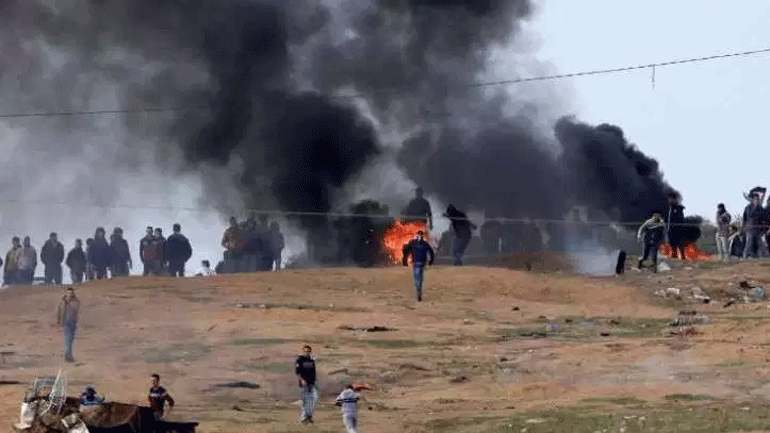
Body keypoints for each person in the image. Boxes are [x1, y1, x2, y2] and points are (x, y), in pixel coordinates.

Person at [402, 231, 435, 302]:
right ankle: (419, 289)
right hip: (422, 263)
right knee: (420, 277)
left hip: (416, 263)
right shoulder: (425, 244)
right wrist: (430, 261)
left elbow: (406, 250)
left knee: (417, 278)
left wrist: (404, 260)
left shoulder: (413, 243)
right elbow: (431, 252)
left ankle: (418, 289)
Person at [295, 345, 318, 424]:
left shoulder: (311, 360)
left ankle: (309, 415)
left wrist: (315, 380)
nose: (307, 353)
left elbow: (314, 371)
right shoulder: (300, 360)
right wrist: (302, 380)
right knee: (305, 400)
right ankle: (304, 417)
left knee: (315, 399)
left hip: (312, 382)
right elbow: (297, 372)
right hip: (304, 383)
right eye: (306, 351)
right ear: (303, 351)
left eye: (308, 351)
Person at [56, 287, 79, 362]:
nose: (70, 294)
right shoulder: (63, 302)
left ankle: (68, 355)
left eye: (71, 293)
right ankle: (68, 355)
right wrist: (58, 321)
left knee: (70, 340)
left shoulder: (75, 301)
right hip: (65, 322)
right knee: (68, 339)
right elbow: (59, 311)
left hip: (72, 322)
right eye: (69, 293)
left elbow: (77, 311)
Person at [743, 193, 768, 258]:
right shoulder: (747, 208)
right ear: (753, 200)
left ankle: (764, 258)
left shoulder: (761, 209)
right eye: (755, 199)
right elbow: (744, 219)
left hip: (759, 230)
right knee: (749, 245)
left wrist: (763, 230)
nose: (756, 200)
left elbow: (765, 220)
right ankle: (745, 257)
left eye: (757, 199)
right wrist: (744, 227)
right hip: (750, 230)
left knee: (761, 245)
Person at [664, 193, 687, 260]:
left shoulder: (678, 208)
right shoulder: (668, 208)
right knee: (672, 245)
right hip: (670, 230)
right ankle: (674, 257)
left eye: (671, 199)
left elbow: (680, 219)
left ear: (675, 199)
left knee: (680, 245)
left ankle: (683, 258)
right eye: (669, 199)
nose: (670, 200)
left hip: (678, 230)